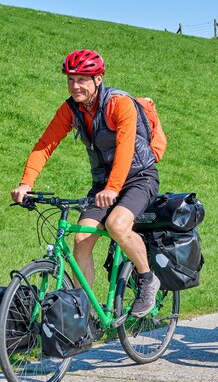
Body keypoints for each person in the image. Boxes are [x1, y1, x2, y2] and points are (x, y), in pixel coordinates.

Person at [11, 50, 162, 318]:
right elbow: (45, 145)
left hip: (139, 177)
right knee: (81, 238)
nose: (75, 86)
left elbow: (125, 148)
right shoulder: (70, 109)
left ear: (98, 79)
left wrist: (114, 188)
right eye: (71, 79)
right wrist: (26, 183)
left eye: (82, 79)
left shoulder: (120, 104)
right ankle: (85, 314)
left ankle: (147, 278)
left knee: (117, 225)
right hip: (104, 185)